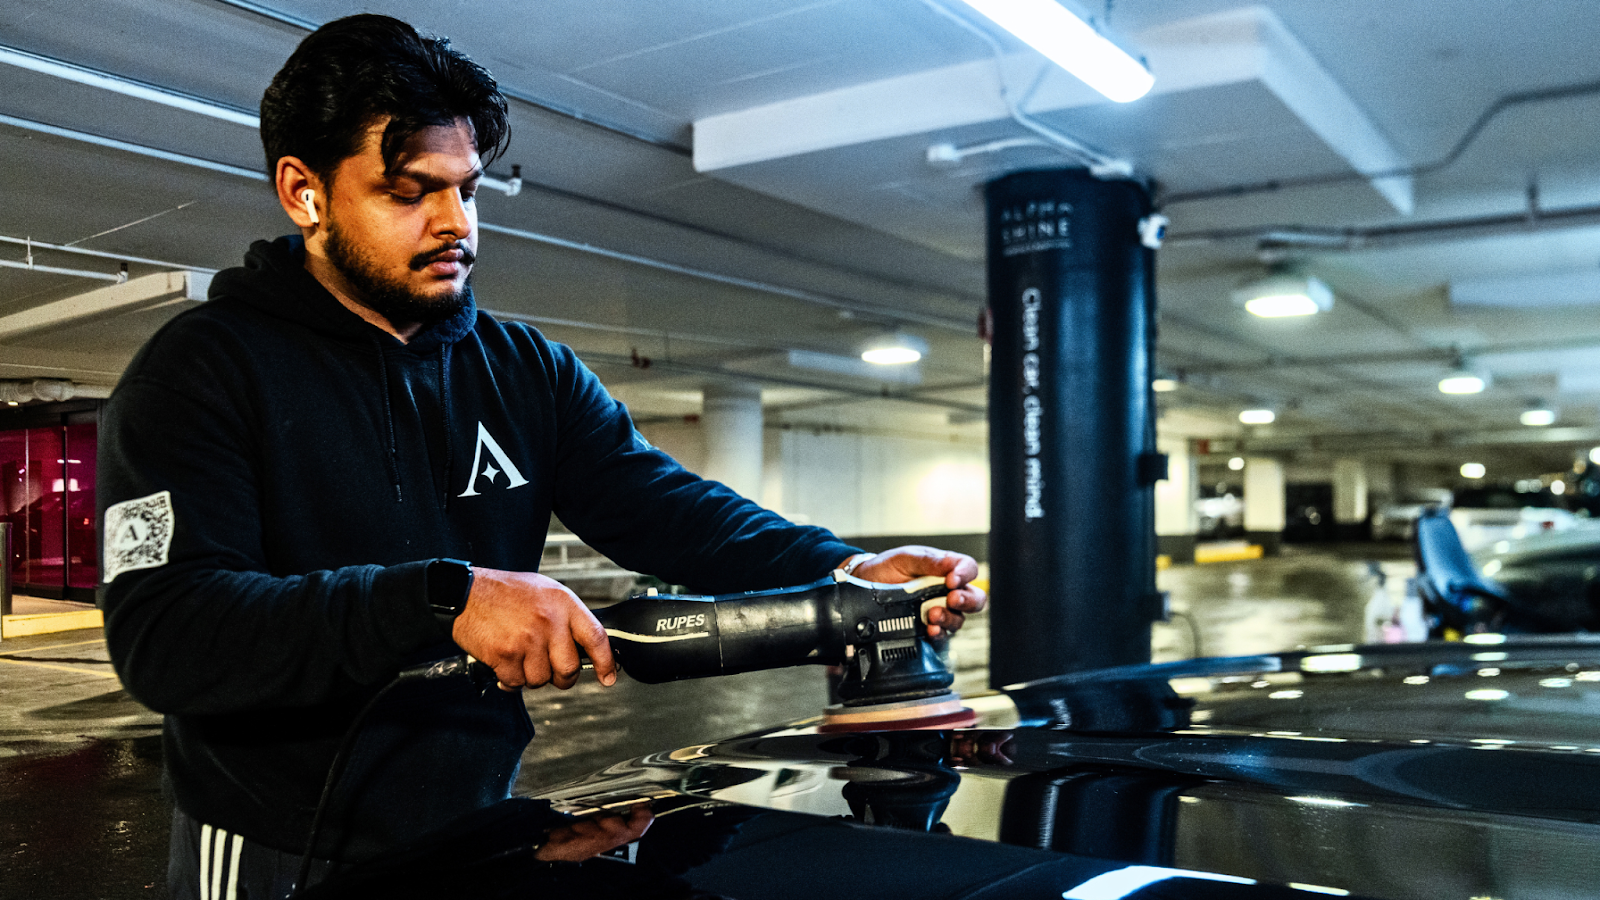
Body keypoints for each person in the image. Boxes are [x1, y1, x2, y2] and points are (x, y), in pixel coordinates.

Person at [96, 14, 987, 899]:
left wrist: (845, 569)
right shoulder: (198, 372)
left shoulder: (527, 371)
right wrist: (446, 599)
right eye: (410, 193)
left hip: (481, 826)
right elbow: (168, 636)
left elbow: (667, 509)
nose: (456, 225)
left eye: (469, 190)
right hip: (274, 853)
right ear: (304, 192)